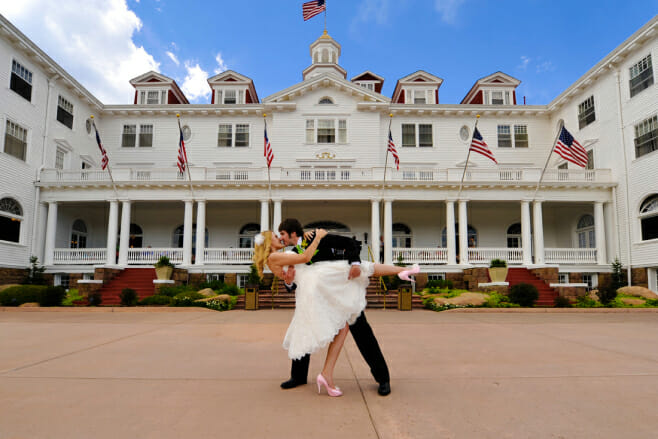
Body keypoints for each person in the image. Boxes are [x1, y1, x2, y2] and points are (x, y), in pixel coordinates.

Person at [257, 218, 418, 397]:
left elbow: (350, 244)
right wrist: (288, 282)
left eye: (283, 234)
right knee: (303, 327)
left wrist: (354, 262)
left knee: (363, 333)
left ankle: (383, 379)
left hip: (341, 290)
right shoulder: (293, 252)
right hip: (320, 298)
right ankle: (298, 376)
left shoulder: (314, 238)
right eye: (277, 236)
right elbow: (295, 280)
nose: (281, 238)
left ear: (293, 233)